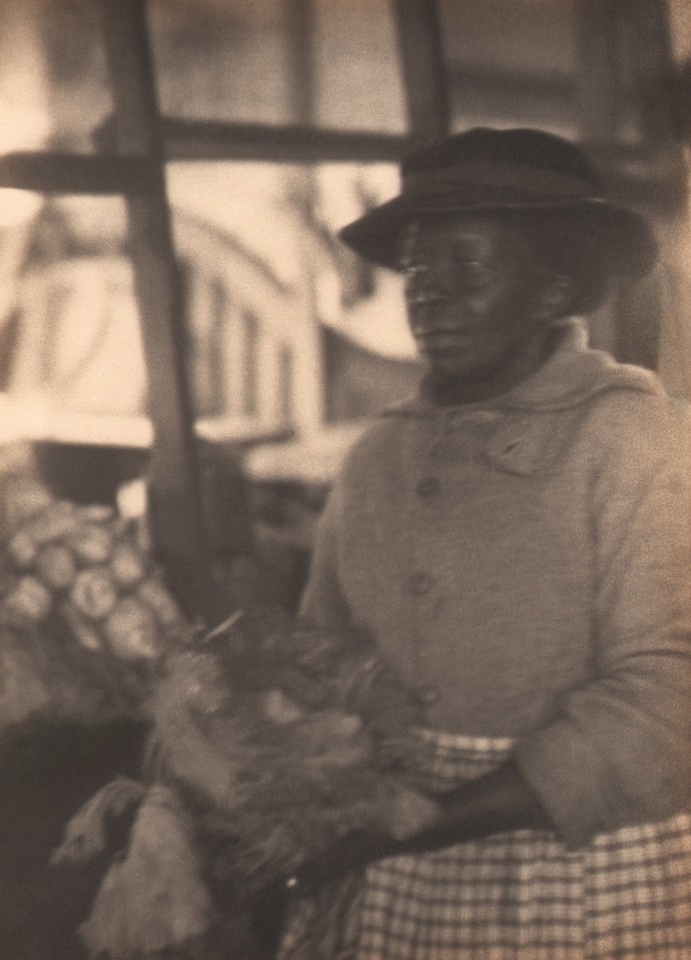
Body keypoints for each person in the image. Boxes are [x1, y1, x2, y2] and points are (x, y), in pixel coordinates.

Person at [278, 128, 691, 959]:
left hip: (578, 875)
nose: (431, 294)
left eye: (469, 266)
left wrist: (423, 821)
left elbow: (665, 701)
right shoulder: (377, 458)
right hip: (394, 876)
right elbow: (319, 656)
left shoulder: (633, 441)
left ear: (553, 291)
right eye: (420, 269)